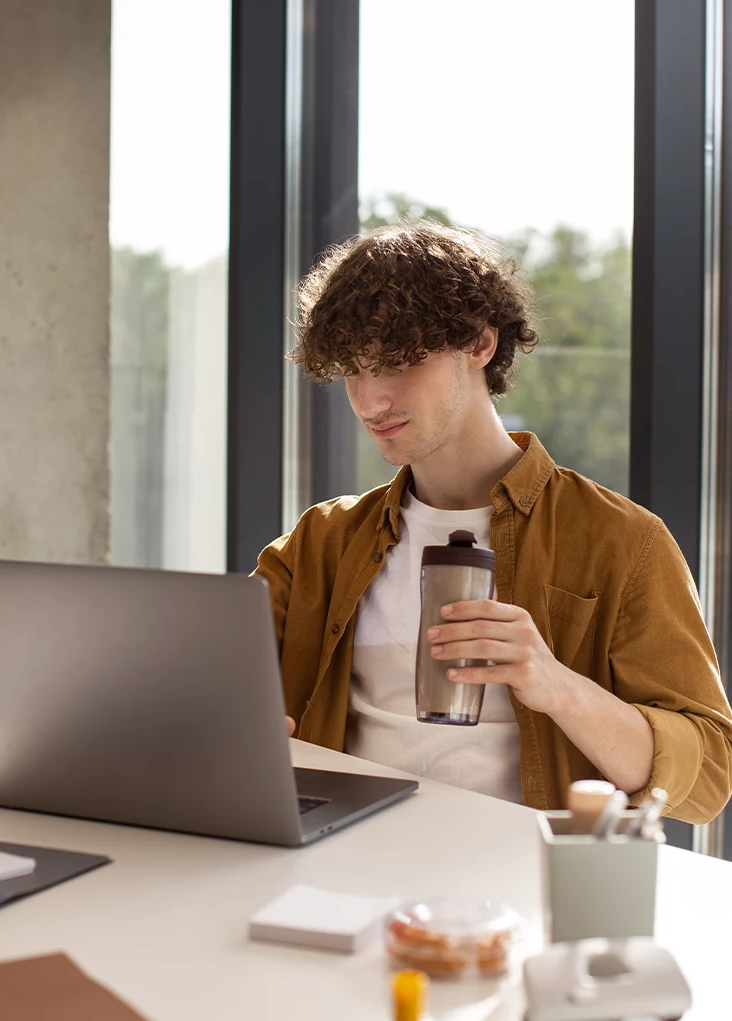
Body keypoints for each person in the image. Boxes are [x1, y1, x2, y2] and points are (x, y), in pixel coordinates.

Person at [256, 221, 732, 824]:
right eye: (354, 370)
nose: (371, 401)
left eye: (397, 363)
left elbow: (709, 778)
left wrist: (554, 683)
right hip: (337, 872)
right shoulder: (319, 543)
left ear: (480, 345)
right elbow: (209, 693)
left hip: (518, 894)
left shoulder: (622, 543)